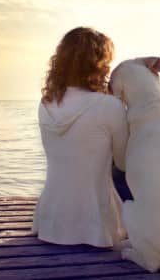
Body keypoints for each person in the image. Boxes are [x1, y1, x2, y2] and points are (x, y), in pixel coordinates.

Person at [32, 27, 128, 249]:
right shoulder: (109, 105)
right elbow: (124, 163)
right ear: (98, 65)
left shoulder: (45, 103)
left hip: (50, 223)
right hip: (96, 228)